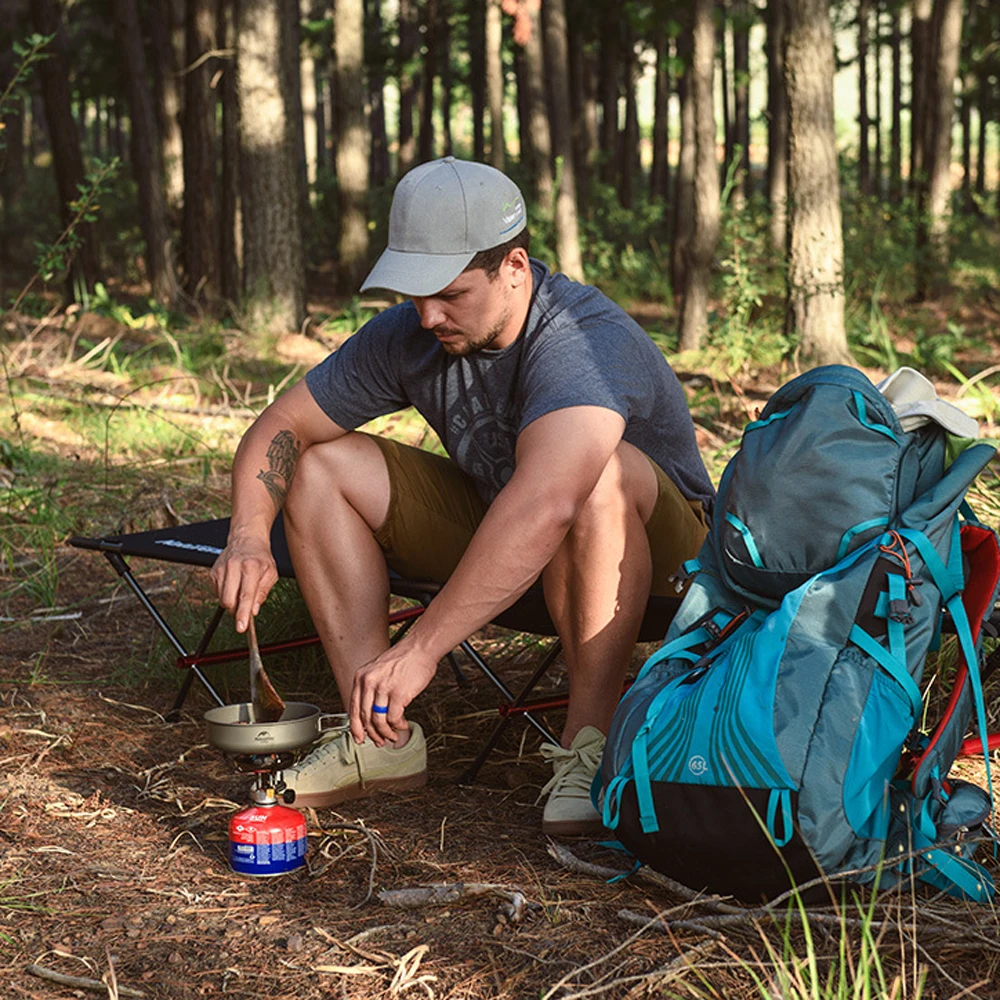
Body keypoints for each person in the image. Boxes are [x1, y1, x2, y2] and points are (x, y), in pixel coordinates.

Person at [211, 157, 715, 836]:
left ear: (514, 266)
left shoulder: (583, 343)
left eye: (449, 292)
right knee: (318, 465)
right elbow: (280, 426)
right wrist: (247, 533)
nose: (427, 316)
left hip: (661, 568)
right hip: (520, 538)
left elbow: (548, 502)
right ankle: (377, 737)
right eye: (415, 292)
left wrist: (419, 649)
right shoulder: (417, 330)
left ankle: (590, 746)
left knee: (595, 474)